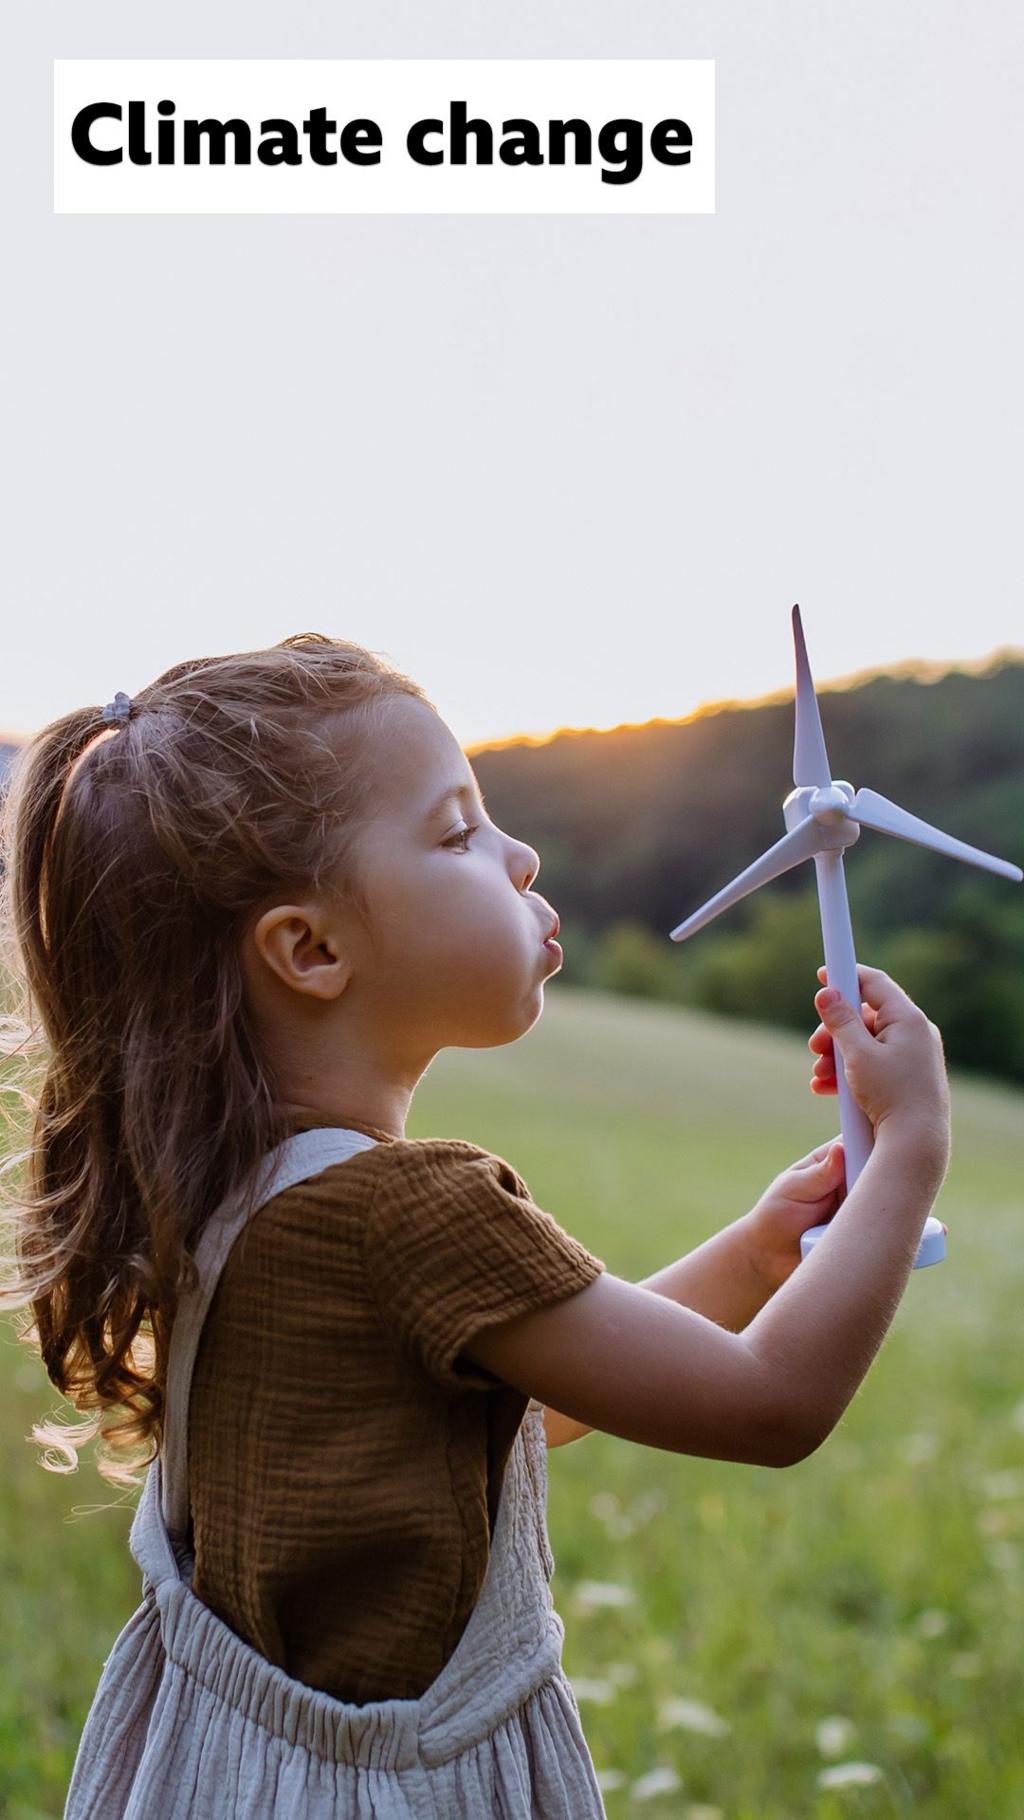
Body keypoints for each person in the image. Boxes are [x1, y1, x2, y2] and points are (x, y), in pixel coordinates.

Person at [0, 633, 951, 1819]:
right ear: (312, 948)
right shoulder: (413, 1208)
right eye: (456, 832)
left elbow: (506, 1414)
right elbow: (768, 1403)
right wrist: (909, 1143)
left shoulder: (229, 1186)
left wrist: (763, 1249)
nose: (522, 852)